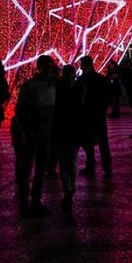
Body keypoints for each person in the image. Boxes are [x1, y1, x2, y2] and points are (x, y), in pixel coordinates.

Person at [14, 54, 57, 218]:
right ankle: (25, 203)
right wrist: (26, 130)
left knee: (40, 171)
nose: (49, 69)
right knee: (27, 170)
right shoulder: (29, 86)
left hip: (45, 135)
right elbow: (19, 111)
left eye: (50, 66)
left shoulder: (53, 83)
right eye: (46, 66)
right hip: (32, 136)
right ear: (39, 67)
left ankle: (35, 202)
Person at [52, 64, 87, 221]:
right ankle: (72, 187)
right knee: (72, 160)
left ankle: (68, 189)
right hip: (76, 129)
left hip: (61, 129)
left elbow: (54, 110)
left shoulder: (58, 89)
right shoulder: (80, 88)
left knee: (63, 163)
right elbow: (84, 110)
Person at [78, 54, 113, 178]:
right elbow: (108, 95)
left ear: (87, 65)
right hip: (97, 114)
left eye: (81, 64)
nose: (80, 67)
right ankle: (105, 167)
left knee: (91, 140)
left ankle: (92, 165)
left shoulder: (82, 80)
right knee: (101, 141)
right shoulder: (101, 78)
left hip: (90, 114)